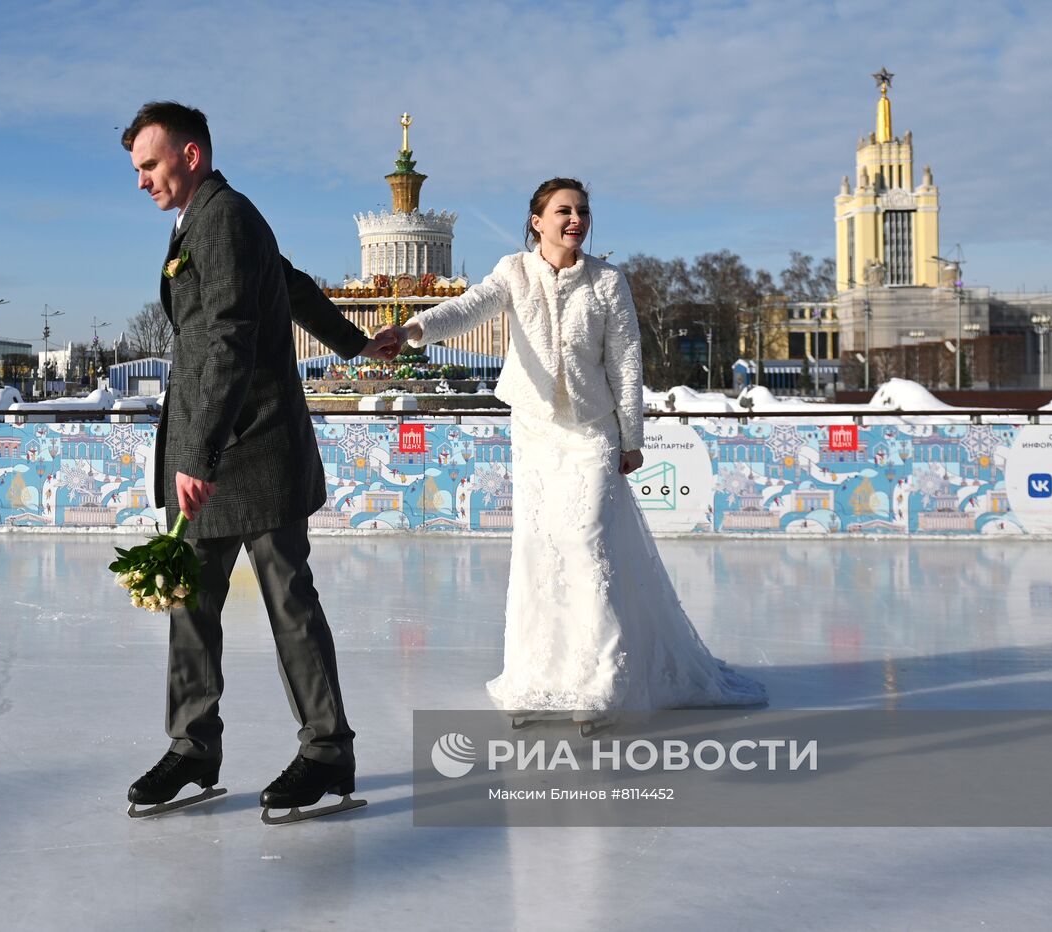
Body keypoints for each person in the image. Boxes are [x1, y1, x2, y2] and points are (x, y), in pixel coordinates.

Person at [380, 178, 765, 726]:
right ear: (536, 220)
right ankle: (538, 681)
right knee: (539, 549)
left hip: (592, 431)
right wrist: (415, 328)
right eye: (563, 211)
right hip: (536, 430)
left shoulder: (609, 282)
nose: (576, 220)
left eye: (583, 211)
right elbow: (468, 308)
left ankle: (600, 683)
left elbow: (627, 364)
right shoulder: (513, 272)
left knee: (586, 544)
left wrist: (631, 438)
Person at [120, 101, 401, 821]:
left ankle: (327, 750)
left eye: (150, 165)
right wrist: (353, 342)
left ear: (190, 155)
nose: (143, 181)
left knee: (288, 605)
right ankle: (193, 746)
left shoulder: (225, 217)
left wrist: (201, 448)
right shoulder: (208, 222)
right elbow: (292, 283)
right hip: (212, 451)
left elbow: (229, 338)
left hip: (251, 448)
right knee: (191, 603)